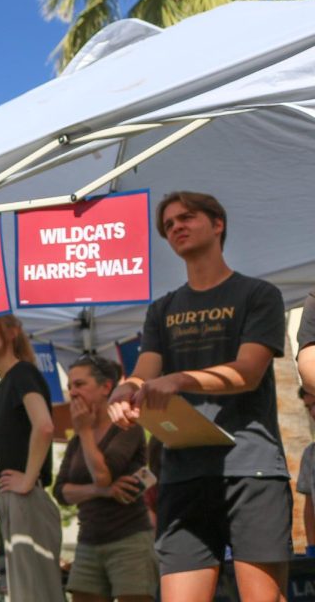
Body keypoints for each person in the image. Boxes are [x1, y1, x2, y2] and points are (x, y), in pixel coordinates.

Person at [109, 191, 290, 602]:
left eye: (186, 217)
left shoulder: (258, 295)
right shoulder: (162, 309)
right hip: (182, 472)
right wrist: (124, 390)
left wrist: (179, 380)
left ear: (218, 224)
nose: (176, 227)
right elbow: (144, 373)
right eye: (169, 225)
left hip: (252, 466)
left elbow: (248, 372)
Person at [0, 314, 65, 602]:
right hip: (11, 497)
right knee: (23, 592)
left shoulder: (23, 373)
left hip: (27, 499)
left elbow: (45, 426)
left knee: (35, 593)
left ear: (11, 333)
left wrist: (28, 479)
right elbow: (18, 451)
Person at [52, 355, 157, 602]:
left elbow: (102, 476)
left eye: (79, 385)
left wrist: (85, 431)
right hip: (89, 541)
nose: (73, 393)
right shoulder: (78, 438)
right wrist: (104, 492)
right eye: (70, 387)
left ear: (106, 388)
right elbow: (61, 491)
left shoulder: (126, 427)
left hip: (129, 541)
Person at [296, 386, 315, 555]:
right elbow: (310, 506)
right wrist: (312, 546)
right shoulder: (310, 454)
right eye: (308, 407)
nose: (312, 412)